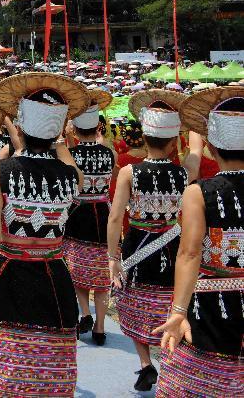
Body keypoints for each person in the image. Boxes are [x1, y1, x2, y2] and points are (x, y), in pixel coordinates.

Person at [0, 73, 88, 396]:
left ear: (20, 128)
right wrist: (60, 140)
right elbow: (71, 166)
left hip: (10, 273)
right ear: (56, 132)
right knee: (50, 370)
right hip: (55, 275)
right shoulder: (70, 177)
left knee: (5, 369)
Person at [108, 90, 203, 391]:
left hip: (137, 245)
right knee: (170, 304)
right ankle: (170, 361)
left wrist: (112, 257)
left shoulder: (129, 172)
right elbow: (196, 153)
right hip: (173, 248)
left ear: (145, 137)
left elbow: (114, 218)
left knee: (135, 304)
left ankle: (146, 363)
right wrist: (195, 124)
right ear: (174, 141)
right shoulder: (184, 173)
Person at [154, 87, 244, 397]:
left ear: (212, 147)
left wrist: (178, 311)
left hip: (210, 306)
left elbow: (190, 254)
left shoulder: (199, 192)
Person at [63, 90, 115, 345]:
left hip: (78, 214)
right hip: (104, 213)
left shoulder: (71, 155)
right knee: (102, 276)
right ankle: (100, 327)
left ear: (75, 130)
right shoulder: (110, 153)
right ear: (97, 127)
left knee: (77, 269)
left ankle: (85, 312)